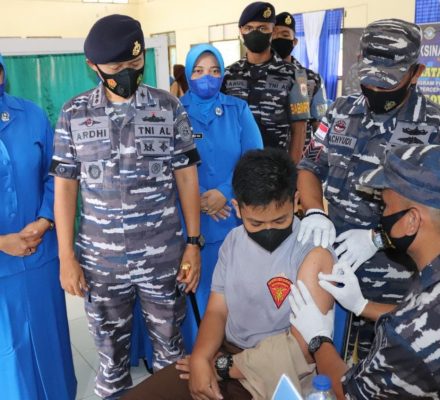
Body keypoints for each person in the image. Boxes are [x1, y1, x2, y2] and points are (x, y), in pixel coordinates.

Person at [50, 14, 201, 399]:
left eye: (135, 63)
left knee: (171, 352)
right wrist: (66, 257)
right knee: (110, 360)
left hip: (164, 255)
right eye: (116, 69)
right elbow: (65, 189)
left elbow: (186, 177)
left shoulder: (168, 107)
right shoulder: (74, 113)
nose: (128, 73)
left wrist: (193, 243)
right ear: (93, 66)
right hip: (102, 263)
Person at [122, 148, 335, 400]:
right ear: (237, 208)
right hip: (228, 356)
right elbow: (217, 310)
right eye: (256, 223)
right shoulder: (233, 241)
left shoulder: (312, 251)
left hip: (278, 372)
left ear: (296, 200)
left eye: (280, 221)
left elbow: (304, 347)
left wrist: (221, 367)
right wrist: (201, 358)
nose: (268, 230)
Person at [297, 18, 440, 360]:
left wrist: (377, 238)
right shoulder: (340, 112)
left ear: (416, 73)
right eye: (369, 78)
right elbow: (309, 165)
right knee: (329, 362)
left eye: (387, 81)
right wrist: (315, 211)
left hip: (398, 285)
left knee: (383, 373)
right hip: (335, 269)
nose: (375, 88)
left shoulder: (433, 126)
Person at [291, 144, 440, 398]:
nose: (382, 215)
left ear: (412, 220)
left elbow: (350, 392)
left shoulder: (407, 341)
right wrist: (363, 306)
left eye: (386, 206)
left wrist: (318, 339)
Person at [0, 55, 76, 399]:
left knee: (50, 338)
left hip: (41, 254)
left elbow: (56, 175)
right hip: (3, 268)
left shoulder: (31, 115)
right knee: (11, 354)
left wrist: (45, 220)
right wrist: (3, 242)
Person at [180, 44, 263, 346]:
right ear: (188, 74)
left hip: (232, 217)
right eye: (199, 71)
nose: (208, 77)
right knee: (194, 292)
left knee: (232, 290)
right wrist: (199, 197)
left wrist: (224, 192)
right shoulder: (173, 112)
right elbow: (164, 165)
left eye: (215, 71)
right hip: (189, 221)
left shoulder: (237, 110)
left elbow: (254, 158)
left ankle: (233, 352)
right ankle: (197, 353)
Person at [221, 1, 310, 164]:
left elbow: (300, 129)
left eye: (262, 28)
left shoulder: (295, 75)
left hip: (275, 168)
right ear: (241, 31)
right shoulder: (228, 75)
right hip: (236, 167)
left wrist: (291, 172)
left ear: (273, 31)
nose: (255, 33)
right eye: (249, 28)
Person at [272, 11, 328, 150]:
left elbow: (320, 126)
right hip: (262, 155)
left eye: (285, 35)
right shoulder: (257, 74)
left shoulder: (311, 79)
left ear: (294, 41)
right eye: (274, 34)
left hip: (298, 155)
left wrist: (316, 158)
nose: (278, 38)